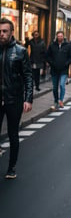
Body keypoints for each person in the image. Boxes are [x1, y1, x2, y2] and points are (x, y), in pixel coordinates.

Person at [0, 18, 33, 179]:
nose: (1, 34)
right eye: (0, 31)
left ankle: (11, 167)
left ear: (12, 32)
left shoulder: (20, 51)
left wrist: (28, 99)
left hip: (14, 100)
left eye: (5, 31)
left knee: (13, 134)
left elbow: (28, 76)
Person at [46, 30, 71, 110]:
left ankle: (61, 100)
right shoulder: (52, 45)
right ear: (56, 37)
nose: (60, 37)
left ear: (63, 37)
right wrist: (51, 63)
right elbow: (47, 56)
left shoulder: (68, 46)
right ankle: (56, 100)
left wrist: (66, 63)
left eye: (61, 36)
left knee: (62, 85)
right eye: (58, 36)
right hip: (54, 69)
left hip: (64, 70)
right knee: (55, 87)